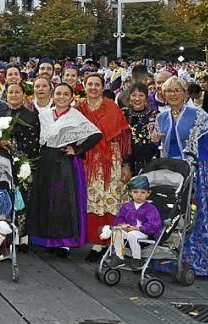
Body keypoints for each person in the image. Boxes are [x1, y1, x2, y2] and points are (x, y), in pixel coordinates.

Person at [153, 76, 208, 276]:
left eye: (177, 90)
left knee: (200, 215)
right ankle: (169, 258)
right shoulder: (161, 118)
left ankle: (204, 262)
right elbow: (161, 147)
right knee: (173, 215)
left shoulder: (198, 114)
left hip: (199, 170)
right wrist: (155, 141)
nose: (172, 94)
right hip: (173, 173)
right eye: (168, 91)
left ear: (185, 93)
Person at [26, 83, 101, 257]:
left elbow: (96, 134)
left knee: (62, 202)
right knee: (44, 199)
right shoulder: (44, 115)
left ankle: (64, 243)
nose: (61, 97)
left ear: (71, 97)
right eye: (58, 93)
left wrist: (76, 150)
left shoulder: (76, 116)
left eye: (65, 94)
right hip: (45, 160)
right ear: (53, 95)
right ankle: (44, 239)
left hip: (63, 162)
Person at [78, 73, 132, 262]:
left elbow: (123, 138)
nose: (93, 87)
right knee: (91, 201)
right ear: (84, 86)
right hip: (87, 162)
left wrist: (126, 164)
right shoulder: (78, 108)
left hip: (111, 162)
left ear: (102, 87)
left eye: (97, 84)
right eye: (89, 84)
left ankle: (108, 242)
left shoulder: (112, 108)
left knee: (110, 200)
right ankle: (94, 240)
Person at [101, 175, 163, 263]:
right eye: (135, 192)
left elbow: (155, 225)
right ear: (130, 192)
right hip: (128, 229)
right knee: (117, 232)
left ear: (148, 193)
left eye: (143, 192)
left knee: (132, 234)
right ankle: (119, 257)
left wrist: (137, 228)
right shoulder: (127, 206)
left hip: (143, 232)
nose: (139, 195)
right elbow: (119, 218)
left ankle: (136, 259)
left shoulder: (150, 208)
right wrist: (122, 225)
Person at [120, 81, 160, 177]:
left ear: (146, 97)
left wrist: (157, 141)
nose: (137, 99)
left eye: (141, 95)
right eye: (134, 95)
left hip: (151, 161)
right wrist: (125, 164)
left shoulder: (156, 115)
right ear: (129, 97)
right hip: (128, 162)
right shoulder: (123, 115)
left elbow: (160, 141)